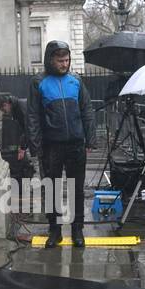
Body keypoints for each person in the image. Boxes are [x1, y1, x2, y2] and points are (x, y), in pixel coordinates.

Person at [26, 40, 93, 248]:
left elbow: (87, 111)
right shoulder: (39, 82)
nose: (64, 64)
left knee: (77, 190)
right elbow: (32, 117)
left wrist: (90, 140)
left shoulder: (76, 81)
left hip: (76, 144)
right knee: (52, 188)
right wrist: (36, 146)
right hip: (50, 146)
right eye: (60, 60)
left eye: (67, 60)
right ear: (50, 60)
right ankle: (54, 230)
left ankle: (77, 229)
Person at [0, 93, 32, 181]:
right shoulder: (17, 107)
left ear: (6, 104)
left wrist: (22, 148)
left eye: (4, 110)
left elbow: (27, 129)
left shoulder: (20, 108)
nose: (5, 113)